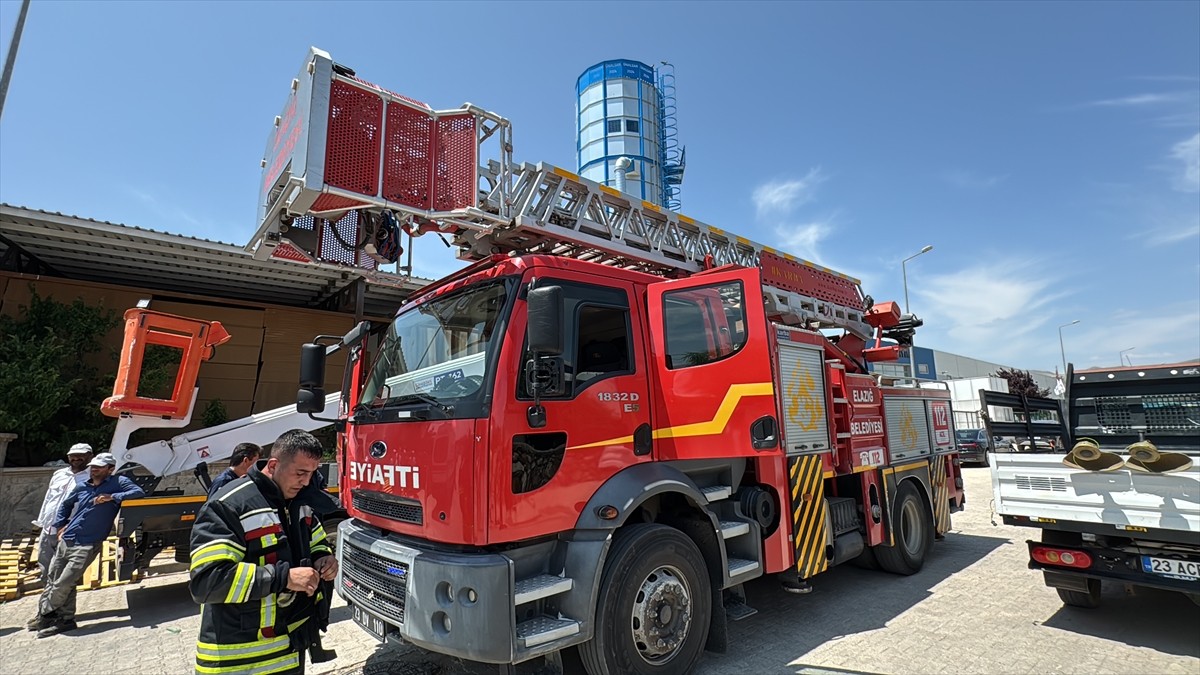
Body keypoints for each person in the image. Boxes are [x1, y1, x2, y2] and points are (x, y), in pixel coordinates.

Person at [189, 429, 338, 675]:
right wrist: (284, 578)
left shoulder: (300, 502)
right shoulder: (227, 505)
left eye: (312, 474)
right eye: (300, 473)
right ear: (273, 464)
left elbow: (317, 540)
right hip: (237, 660)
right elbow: (208, 581)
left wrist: (324, 557)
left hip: (288, 653)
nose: (307, 481)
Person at [29, 452, 145, 637]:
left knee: (64, 581)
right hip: (68, 538)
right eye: (93, 467)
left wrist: (112, 497)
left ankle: (46, 614)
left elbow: (138, 492)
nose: (94, 469)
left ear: (110, 469)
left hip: (88, 543)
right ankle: (66, 620)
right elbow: (65, 505)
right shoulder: (82, 486)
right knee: (54, 579)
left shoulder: (118, 482)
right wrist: (60, 525)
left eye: (99, 467)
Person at [32, 442, 93, 585]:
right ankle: (48, 593)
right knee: (45, 564)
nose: (76, 458)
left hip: (70, 529)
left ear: (90, 456)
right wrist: (41, 522)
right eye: (73, 455)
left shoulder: (94, 476)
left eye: (81, 455)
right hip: (48, 528)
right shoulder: (59, 474)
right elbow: (49, 498)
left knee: (63, 571)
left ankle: (59, 599)